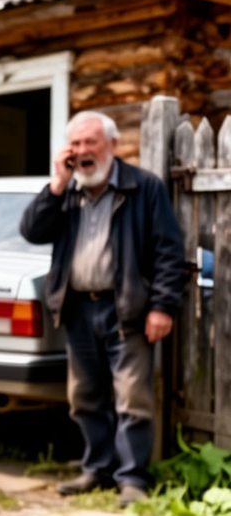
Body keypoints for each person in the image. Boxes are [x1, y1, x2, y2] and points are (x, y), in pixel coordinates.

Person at [20, 111, 184, 507]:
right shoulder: (68, 192)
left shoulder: (143, 187)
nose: (81, 152)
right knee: (85, 396)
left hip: (126, 308)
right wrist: (57, 185)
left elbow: (168, 250)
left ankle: (132, 478)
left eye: (90, 142)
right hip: (77, 310)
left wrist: (162, 306)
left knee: (132, 398)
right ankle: (97, 468)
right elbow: (31, 230)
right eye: (74, 144)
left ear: (112, 144)